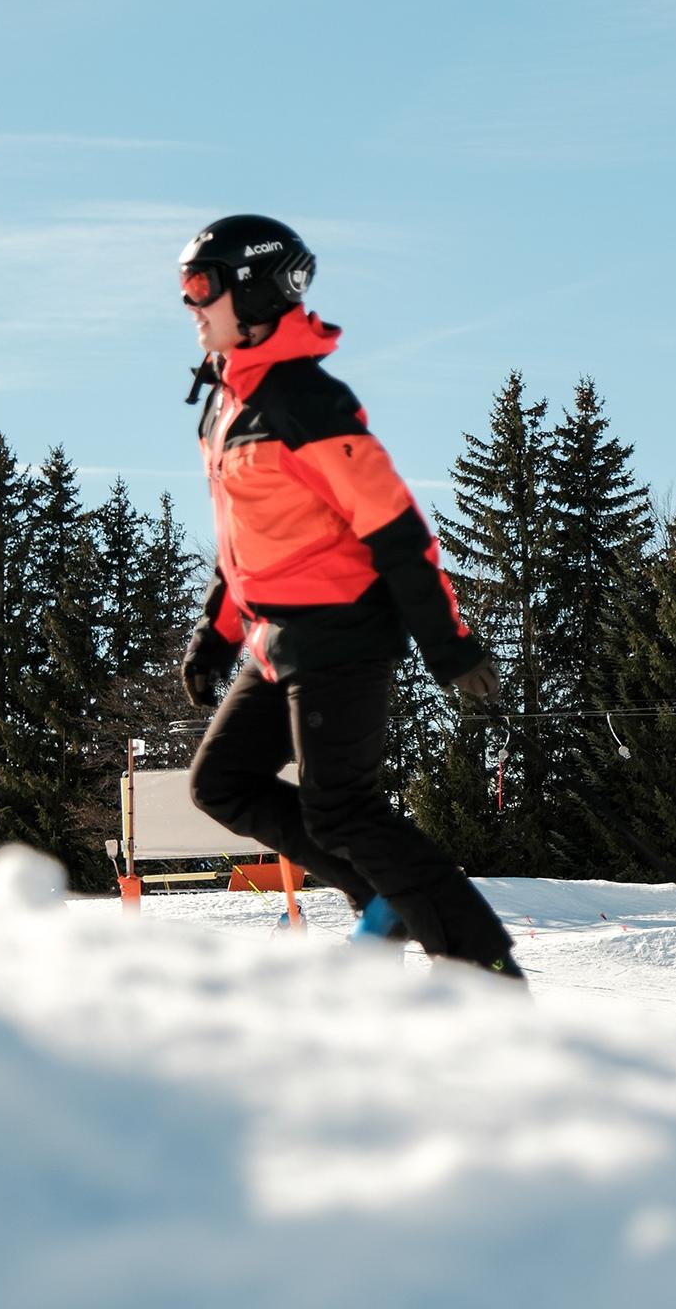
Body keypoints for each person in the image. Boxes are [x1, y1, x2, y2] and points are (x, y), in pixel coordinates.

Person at [177, 214, 521, 979]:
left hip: (342, 632)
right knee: (221, 782)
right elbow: (247, 540)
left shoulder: (308, 402)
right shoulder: (228, 401)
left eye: (201, 286)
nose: (190, 304)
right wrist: (217, 635)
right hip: (276, 639)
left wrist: (451, 647)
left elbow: (398, 531)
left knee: (341, 808)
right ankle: (384, 901)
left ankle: (483, 968)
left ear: (255, 289)